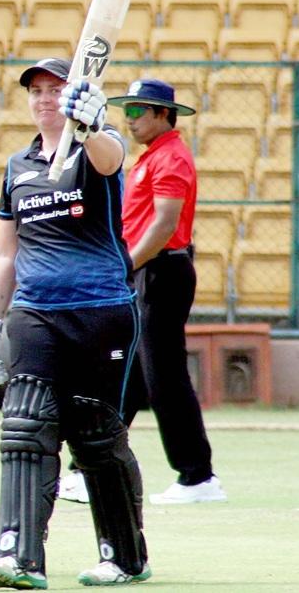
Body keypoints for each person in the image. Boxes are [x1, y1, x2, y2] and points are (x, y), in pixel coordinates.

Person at [0, 57, 151, 589]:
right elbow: (5, 251)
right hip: (35, 311)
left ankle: (125, 555)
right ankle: (18, 555)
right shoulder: (17, 166)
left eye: (55, 89)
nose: (45, 98)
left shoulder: (99, 142)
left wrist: (92, 123)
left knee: (95, 435)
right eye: (36, 91)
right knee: (26, 426)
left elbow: (112, 161)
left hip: (101, 311)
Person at [108, 78, 227, 505]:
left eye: (139, 110)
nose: (130, 118)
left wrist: (126, 266)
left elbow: (163, 225)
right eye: (128, 110)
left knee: (164, 377)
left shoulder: (170, 158)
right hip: (150, 270)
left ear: (163, 114)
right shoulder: (152, 156)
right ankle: (92, 465)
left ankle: (197, 476)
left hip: (161, 271)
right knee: (135, 376)